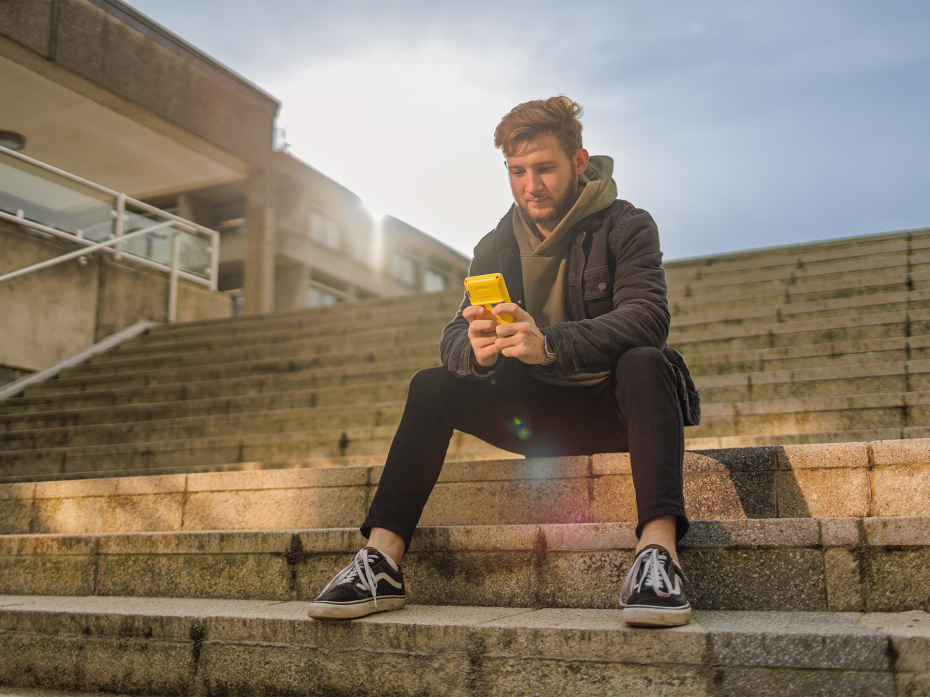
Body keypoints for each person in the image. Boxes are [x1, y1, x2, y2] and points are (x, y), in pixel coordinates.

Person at [308, 96, 700, 628]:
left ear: (580, 162)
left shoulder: (626, 224)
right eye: (517, 172)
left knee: (648, 361)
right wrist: (477, 350)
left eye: (544, 169)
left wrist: (551, 344)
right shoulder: (495, 244)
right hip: (536, 416)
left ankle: (658, 556)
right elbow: (452, 334)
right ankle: (380, 562)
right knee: (430, 385)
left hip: (617, 413)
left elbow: (648, 317)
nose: (530, 186)